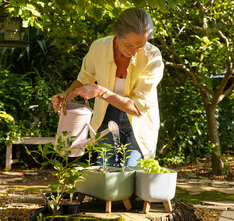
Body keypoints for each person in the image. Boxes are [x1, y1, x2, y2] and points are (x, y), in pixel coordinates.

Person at [51, 8, 164, 167]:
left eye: (140, 46)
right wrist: (66, 96)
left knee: (132, 172)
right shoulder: (99, 48)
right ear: (117, 34)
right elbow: (84, 79)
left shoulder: (153, 57)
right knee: (106, 173)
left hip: (140, 122)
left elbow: (137, 108)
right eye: (128, 45)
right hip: (106, 119)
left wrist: (101, 92)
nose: (133, 52)